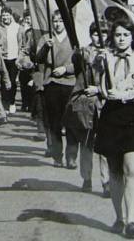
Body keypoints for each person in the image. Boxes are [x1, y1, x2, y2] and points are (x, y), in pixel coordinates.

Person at [93, 14, 134, 239]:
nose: (121, 39)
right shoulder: (105, 58)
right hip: (111, 115)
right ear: (112, 37)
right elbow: (102, 86)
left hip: (132, 115)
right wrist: (98, 66)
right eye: (117, 35)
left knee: (132, 169)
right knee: (115, 171)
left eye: (126, 35)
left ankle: (132, 220)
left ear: (132, 37)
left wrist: (125, 95)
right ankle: (120, 217)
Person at [67, 20, 110, 195]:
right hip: (87, 105)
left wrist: (99, 89)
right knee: (86, 144)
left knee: (105, 146)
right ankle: (87, 177)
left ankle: (106, 181)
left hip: (105, 103)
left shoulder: (112, 54)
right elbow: (77, 61)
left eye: (104, 34)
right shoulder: (85, 51)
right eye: (95, 34)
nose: (100, 38)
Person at [36, 10, 78, 168]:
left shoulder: (74, 39)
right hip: (51, 84)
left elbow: (80, 62)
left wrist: (66, 69)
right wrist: (46, 48)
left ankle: (71, 157)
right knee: (54, 123)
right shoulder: (46, 38)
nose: (57, 24)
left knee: (72, 123)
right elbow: (38, 59)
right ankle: (57, 156)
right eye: (55, 21)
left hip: (70, 84)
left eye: (60, 21)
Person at [0, 7, 21, 114]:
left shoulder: (17, 27)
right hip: (2, 58)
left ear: (11, 16)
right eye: (3, 15)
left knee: (12, 81)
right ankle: (5, 103)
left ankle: (12, 101)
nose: (5, 17)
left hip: (14, 58)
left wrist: (19, 57)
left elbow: (21, 43)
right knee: (3, 81)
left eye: (7, 15)